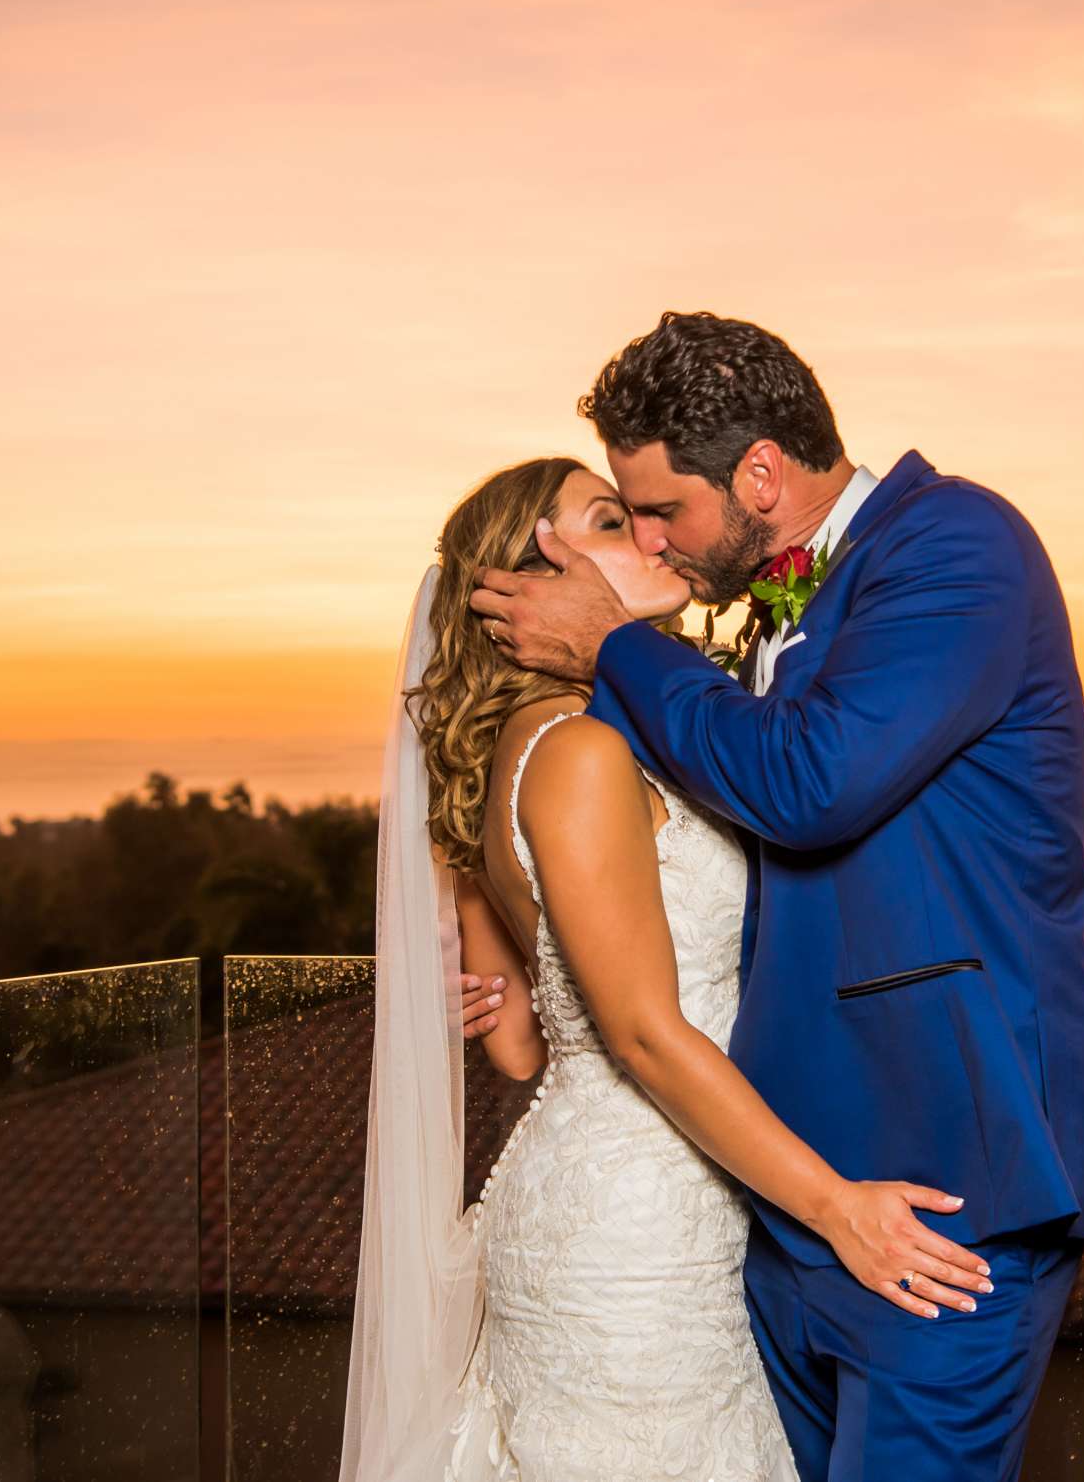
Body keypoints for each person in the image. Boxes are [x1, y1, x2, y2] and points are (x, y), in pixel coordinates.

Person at [471, 312, 1084, 1482]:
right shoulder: (756, 623)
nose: (658, 541)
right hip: (785, 1208)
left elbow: (811, 783)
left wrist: (616, 646)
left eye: (662, 507)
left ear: (761, 473)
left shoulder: (957, 544)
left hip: (944, 1190)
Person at [340, 456, 990, 1482]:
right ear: (539, 579)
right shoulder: (581, 755)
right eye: (609, 520)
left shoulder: (526, 749)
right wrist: (838, 1209)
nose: (649, 538)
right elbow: (642, 1031)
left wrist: (494, 989)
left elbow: (516, 1047)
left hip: (617, 1190)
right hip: (641, 1234)